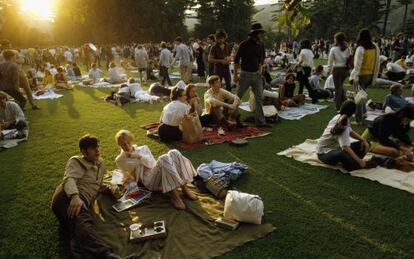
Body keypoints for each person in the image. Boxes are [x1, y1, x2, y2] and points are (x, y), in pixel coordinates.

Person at [51, 135, 134, 259]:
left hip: (82, 201)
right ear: (84, 151)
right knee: (83, 223)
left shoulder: (100, 163)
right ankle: (106, 255)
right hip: (66, 196)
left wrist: (108, 188)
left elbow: (97, 184)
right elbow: (69, 179)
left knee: (77, 229)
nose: (97, 150)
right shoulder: (76, 161)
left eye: (98, 147)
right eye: (93, 148)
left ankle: (79, 252)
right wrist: (74, 196)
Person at [115, 130, 198, 210]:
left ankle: (185, 188)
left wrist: (138, 156)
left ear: (132, 141)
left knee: (174, 152)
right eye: (123, 145)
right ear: (119, 145)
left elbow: (152, 164)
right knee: (163, 158)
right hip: (149, 180)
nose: (126, 146)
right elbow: (126, 175)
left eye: (128, 143)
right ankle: (174, 196)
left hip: (157, 172)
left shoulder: (143, 148)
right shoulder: (120, 160)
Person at [234, 23, 270, 128]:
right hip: (245, 74)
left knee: (259, 98)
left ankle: (260, 121)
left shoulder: (261, 45)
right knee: (237, 97)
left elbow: (261, 60)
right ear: (254, 33)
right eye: (259, 33)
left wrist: (260, 71)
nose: (260, 35)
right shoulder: (244, 44)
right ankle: (229, 116)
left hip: (256, 75)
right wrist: (235, 75)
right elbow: (236, 60)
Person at [316, 101, 370, 171]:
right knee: (341, 154)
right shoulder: (342, 124)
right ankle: (354, 163)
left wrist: (363, 140)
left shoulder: (342, 118)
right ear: (353, 113)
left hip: (336, 148)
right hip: (323, 154)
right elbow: (345, 147)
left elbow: (350, 131)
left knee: (366, 144)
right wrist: (359, 160)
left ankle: (352, 161)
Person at [350, 29, 380, 125]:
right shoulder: (375, 47)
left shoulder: (361, 48)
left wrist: (355, 77)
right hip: (370, 75)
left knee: (358, 97)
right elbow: (377, 62)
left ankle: (359, 120)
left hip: (361, 75)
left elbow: (357, 65)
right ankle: (364, 113)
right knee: (361, 95)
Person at [327, 32, 351, 110]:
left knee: (337, 88)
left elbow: (330, 61)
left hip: (337, 69)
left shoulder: (333, 49)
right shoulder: (347, 48)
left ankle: (338, 106)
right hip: (345, 70)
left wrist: (329, 69)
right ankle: (344, 101)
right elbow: (349, 59)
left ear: (337, 39)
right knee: (340, 87)